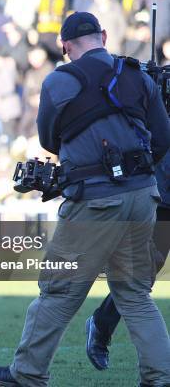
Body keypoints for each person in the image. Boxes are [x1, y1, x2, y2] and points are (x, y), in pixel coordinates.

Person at [0, 12, 170, 386]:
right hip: (143, 198)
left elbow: (48, 139)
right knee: (134, 294)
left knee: (58, 289)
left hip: (96, 202)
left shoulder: (60, 80)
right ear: (103, 35)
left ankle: (28, 374)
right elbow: (163, 138)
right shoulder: (138, 75)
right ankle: (160, 377)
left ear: (65, 46)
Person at [85, 151, 170, 372]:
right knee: (142, 276)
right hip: (160, 199)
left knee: (141, 277)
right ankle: (101, 326)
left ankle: (101, 326)